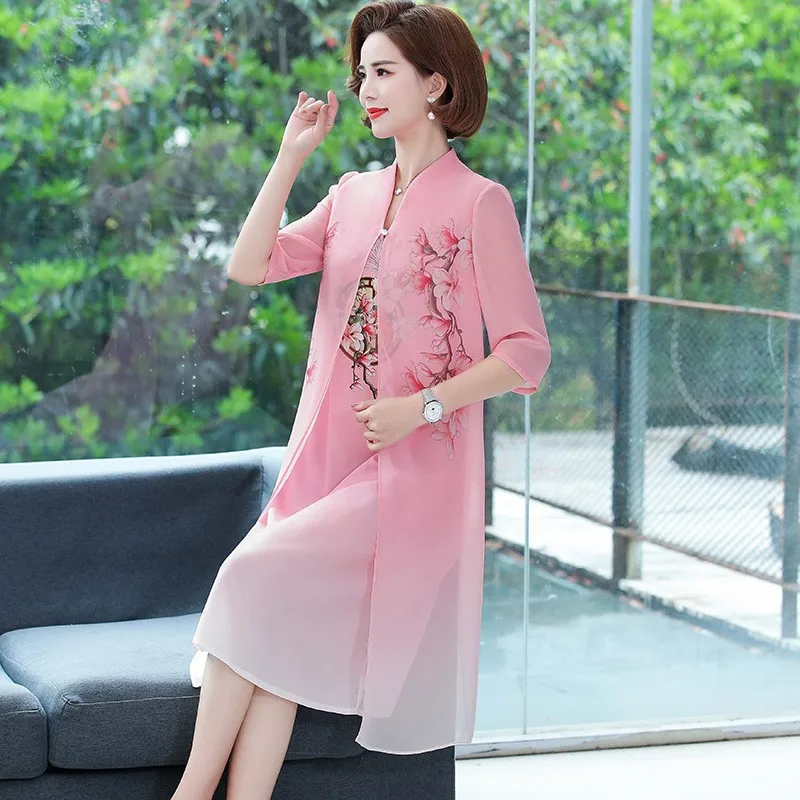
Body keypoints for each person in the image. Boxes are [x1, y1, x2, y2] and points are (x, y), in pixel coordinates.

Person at [173, 1, 551, 797]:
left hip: (414, 478)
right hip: (327, 463)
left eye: (383, 73)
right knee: (273, 644)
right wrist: (290, 157)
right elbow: (249, 265)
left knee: (250, 578)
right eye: (362, 74)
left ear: (435, 85)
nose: (364, 89)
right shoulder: (349, 195)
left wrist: (424, 406)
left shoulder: (479, 203)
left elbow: (526, 353)